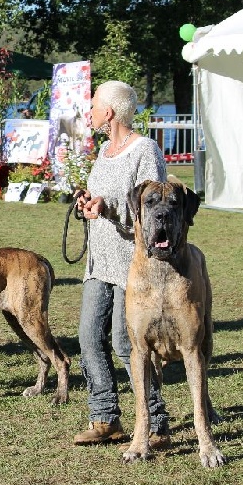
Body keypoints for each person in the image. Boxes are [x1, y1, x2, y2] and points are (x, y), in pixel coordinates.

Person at [73, 80, 170, 446]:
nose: (90, 112)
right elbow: (104, 198)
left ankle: (156, 423)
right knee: (88, 337)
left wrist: (109, 208)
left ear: (109, 112)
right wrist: (89, 202)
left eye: (94, 106)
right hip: (99, 261)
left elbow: (154, 209)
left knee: (126, 344)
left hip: (132, 263)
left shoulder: (145, 150)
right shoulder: (104, 151)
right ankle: (105, 418)